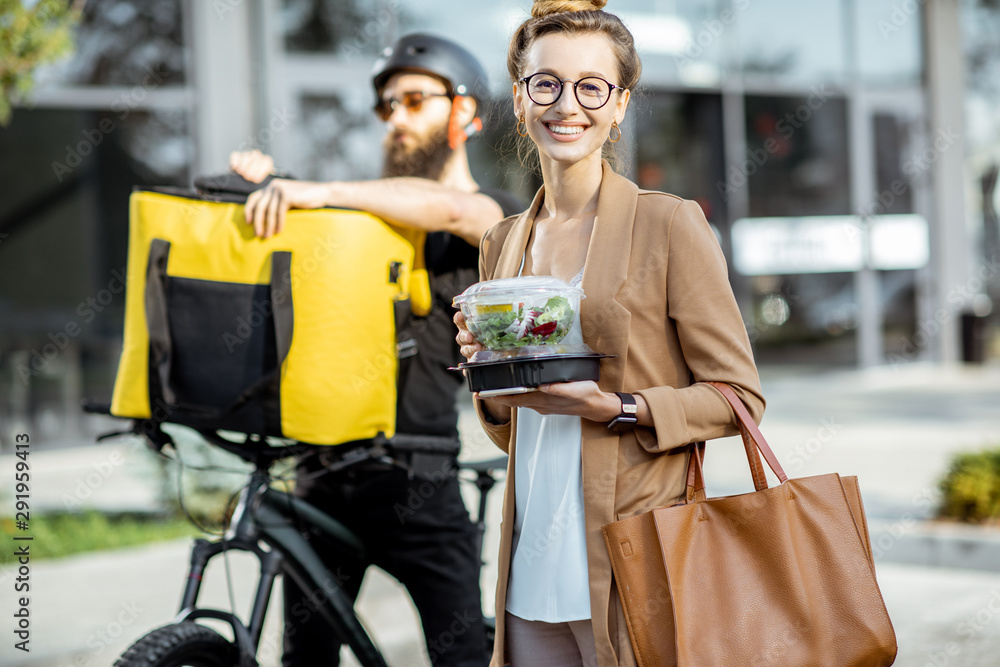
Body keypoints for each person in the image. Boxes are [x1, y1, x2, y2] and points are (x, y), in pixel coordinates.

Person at [453, 2, 765, 666]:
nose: (568, 104)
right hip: (527, 570)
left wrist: (620, 407)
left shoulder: (669, 225)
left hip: (630, 563)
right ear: (520, 97)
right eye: (547, 83)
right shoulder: (501, 243)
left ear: (619, 104)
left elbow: (739, 394)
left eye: (591, 86)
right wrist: (483, 367)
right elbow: (509, 424)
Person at [230, 33, 523, 667]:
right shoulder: (354, 221)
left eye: (415, 100)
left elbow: (444, 208)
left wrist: (313, 189)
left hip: (417, 476)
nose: (396, 117)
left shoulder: (492, 214)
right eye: (387, 106)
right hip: (321, 468)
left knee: (462, 657)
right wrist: (264, 192)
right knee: (303, 658)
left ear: (465, 114)